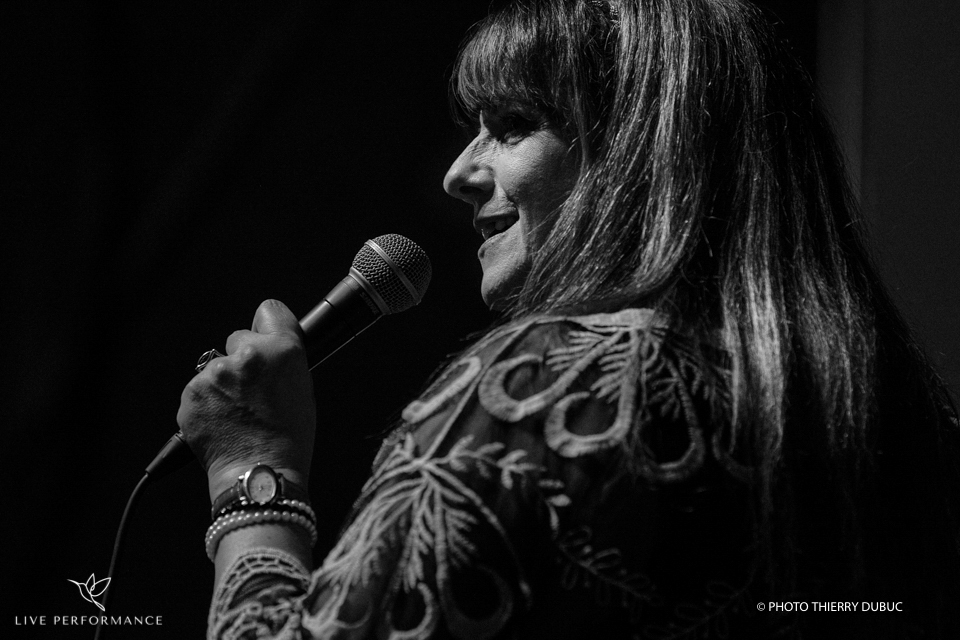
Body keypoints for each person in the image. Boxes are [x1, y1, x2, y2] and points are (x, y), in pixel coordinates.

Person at [178, 0, 960, 638]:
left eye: (513, 124)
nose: (458, 173)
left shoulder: (552, 384)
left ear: (642, 148)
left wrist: (254, 470)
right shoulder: (906, 426)